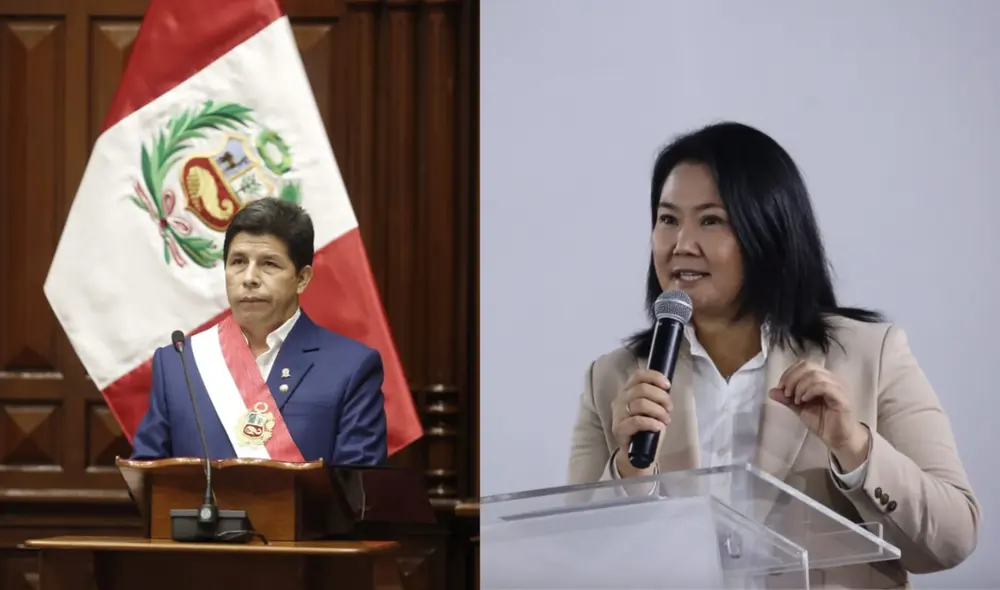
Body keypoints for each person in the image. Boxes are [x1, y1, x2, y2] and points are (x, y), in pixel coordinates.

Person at [566, 122, 979, 587]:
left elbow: (952, 539)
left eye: (711, 220)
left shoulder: (869, 355)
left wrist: (854, 447)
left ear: (769, 230)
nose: (681, 244)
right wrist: (628, 470)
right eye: (667, 219)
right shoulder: (613, 378)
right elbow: (578, 559)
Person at [131, 197, 388, 465]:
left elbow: (358, 487)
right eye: (238, 261)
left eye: (269, 264)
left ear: (302, 279)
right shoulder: (179, 363)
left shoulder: (350, 367)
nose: (249, 278)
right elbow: (147, 476)